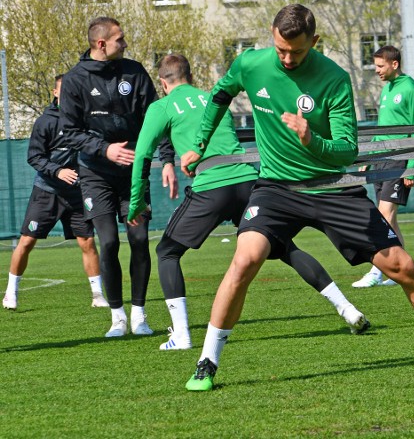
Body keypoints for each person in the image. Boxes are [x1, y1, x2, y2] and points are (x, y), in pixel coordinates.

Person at [181, 4, 414, 392]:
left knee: (402, 267)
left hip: (332, 187)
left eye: (296, 52)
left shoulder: (334, 78)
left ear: (314, 42)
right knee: (244, 260)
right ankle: (206, 363)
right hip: (277, 189)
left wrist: (311, 139)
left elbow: (347, 150)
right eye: (281, 49)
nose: (287, 59)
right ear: (272, 35)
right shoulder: (250, 63)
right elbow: (219, 96)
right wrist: (198, 144)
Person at [127, 53, 369, 350]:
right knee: (285, 248)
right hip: (247, 182)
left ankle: (182, 335)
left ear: (164, 83)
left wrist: (137, 202)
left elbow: (141, 156)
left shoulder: (162, 106)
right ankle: (346, 308)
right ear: (189, 76)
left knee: (167, 251)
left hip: (211, 186)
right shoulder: (213, 99)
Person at [59, 16, 177, 338]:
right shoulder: (74, 80)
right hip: (95, 175)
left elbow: (157, 119)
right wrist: (104, 149)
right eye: (120, 40)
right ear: (101, 44)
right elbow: (70, 133)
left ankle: (139, 315)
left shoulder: (134, 72)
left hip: (133, 175)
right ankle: (117, 317)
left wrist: (167, 160)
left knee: (139, 241)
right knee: (108, 242)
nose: (125, 44)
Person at [3, 74, 108, 311]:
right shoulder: (45, 122)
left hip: (77, 193)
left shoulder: (85, 120)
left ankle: (97, 295)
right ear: (55, 92)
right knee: (27, 241)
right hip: (47, 192)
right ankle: (11, 293)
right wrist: (58, 171)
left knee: (88, 242)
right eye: (65, 90)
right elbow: (34, 157)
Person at [352, 45, 414, 288]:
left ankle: (377, 271)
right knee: (390, 221)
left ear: (394, 64)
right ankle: (404, 268)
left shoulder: (412, 90)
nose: (377, 71)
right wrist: (369, 159)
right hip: (381, 160)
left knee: (384, 216)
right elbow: (382, 129)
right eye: (375, 66)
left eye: (381, 66)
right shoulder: (387, 90)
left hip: (399, 160)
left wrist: (411, 166)